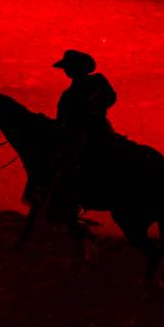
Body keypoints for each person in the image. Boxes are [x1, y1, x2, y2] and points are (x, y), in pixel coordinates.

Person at [47, 50, 116, 222]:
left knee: (73, 161)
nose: (66, 70)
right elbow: (61, 120)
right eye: (66, 67)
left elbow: (111, 97)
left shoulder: (97, 81)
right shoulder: (67, 95)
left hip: (96, 130)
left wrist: (95, 104)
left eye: (69, 67)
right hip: (77, 133)